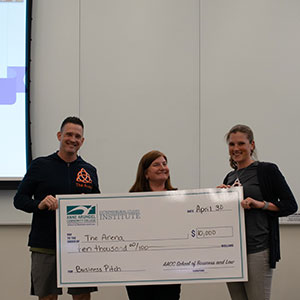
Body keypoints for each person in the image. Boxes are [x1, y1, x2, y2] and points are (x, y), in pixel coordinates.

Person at [14, 116, 100, 300]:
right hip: (45, 244)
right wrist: (40, 204)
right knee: (48, 297)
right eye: (69, 134)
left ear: (82, 141)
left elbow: (98, 206)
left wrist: (91, 203)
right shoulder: (40, 165)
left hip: (80, 246)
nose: (73, 139)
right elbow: (19, 199)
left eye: (78, 136)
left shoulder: (89, 170)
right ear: (59, 135)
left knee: (82, 297)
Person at [217, 124, 297, 300]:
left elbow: (290, 205)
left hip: (258, 249)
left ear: (251, 145)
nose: (236, 149)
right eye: (231, 144)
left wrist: (261, 204)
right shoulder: (229, 177)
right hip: (233, 252)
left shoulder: (267, 170)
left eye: (241, 143)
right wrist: (220, 197)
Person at [126, 150, 181, 300]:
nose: (162, 167)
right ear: (145, 174)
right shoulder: (130, 200)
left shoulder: (179, 199)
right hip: (138, 271)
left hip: (169, 270)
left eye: (164, 163)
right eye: (156, 164)